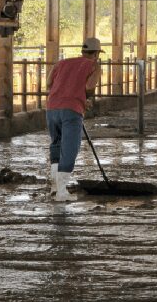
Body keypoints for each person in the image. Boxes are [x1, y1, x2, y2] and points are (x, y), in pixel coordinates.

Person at [46, 37, 103, 202]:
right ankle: (62, 192)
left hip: (52, 108)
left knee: (56, 144)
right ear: (97, 53)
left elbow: (49, 83)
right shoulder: (94, 65)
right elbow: (89, 86)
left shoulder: (62, 63)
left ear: (82, 51)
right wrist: (87, 98)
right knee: (70, 148)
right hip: (72, 110)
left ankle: (55, 187)